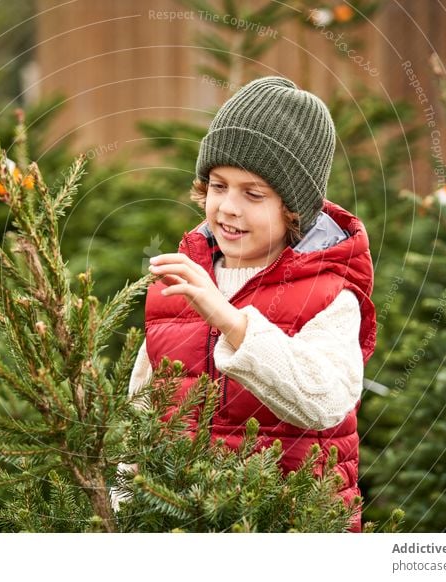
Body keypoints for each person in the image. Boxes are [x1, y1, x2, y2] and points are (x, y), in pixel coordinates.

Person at [126, 76, 377, 532]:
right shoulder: (181, 280)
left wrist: (233, 324)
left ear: (294, 208)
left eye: (253, 193)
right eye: (219, 186)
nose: (228, 207)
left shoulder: (329, 293)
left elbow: (325, 401)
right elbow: (141, 412)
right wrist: (123, 508)